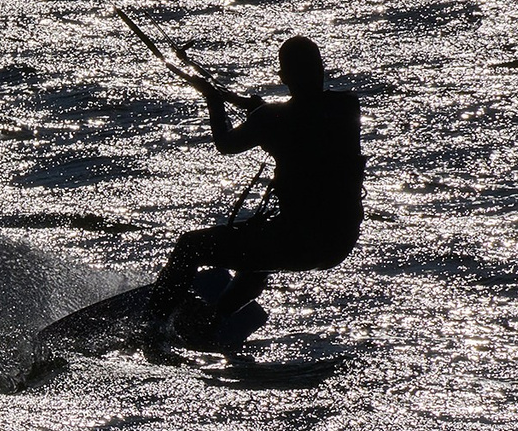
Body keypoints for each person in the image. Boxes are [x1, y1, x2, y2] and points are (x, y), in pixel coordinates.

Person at [146, 35, 362, 350]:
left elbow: (226, 144)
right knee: (257, 251)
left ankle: (152, 330)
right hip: (337, 241)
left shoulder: (272, 119)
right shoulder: (347, 107)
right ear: (321, 70)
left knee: (190, 247)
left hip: (298, 242)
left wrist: (214, 101)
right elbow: (306, 122)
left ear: (283, 77)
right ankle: (216, 318)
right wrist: (261, 111)